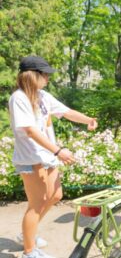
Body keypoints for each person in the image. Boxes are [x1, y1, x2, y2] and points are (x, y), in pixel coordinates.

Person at [9, 56, 98, 258]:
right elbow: (30, 130)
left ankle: (27, 234)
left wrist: (88, 120)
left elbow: (66, 112)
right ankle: (29, 251)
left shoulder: (42, 96)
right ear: (33, 75)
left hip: (47, 155)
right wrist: (58, 150)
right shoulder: (19, 98)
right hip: (31, 157)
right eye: (45, 74)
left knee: (55, 195)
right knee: (37, 203)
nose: (48, 78)